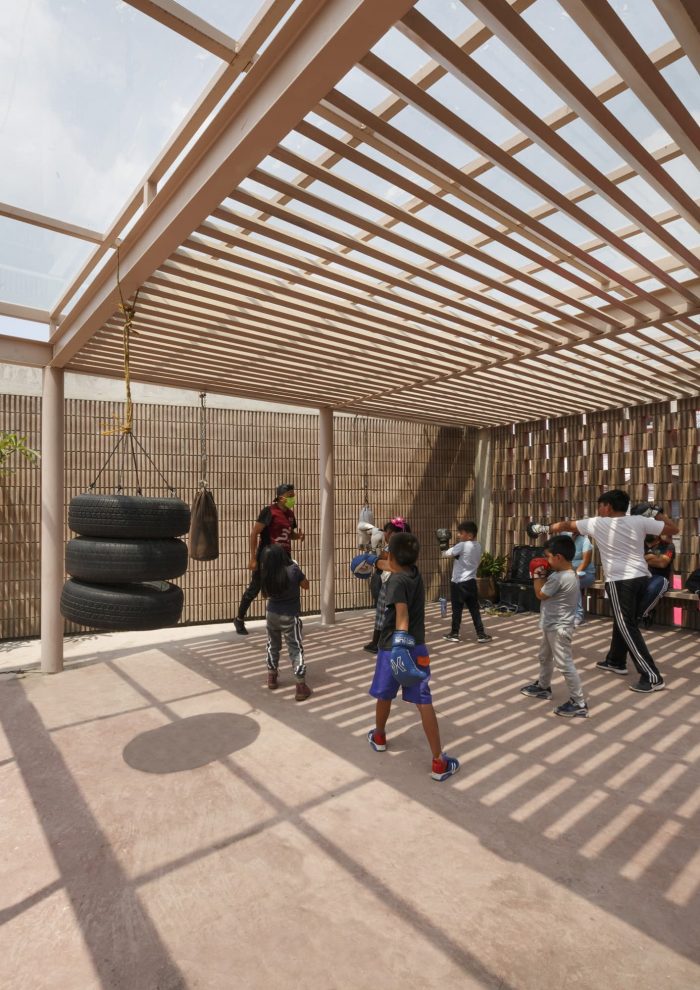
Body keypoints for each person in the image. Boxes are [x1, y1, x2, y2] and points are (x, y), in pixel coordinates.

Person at [551, 490, 679, 693]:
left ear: (608, 506)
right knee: (623, 621)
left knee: (626, 625)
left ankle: (652, 677)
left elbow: (566, 525)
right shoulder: (638, 521)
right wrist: (657, 513)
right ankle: (615, 661)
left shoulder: (597, 523)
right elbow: (674, 529)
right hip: (641, 578)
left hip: (620, 581)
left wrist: (544, 528)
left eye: (600, 505)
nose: (598, 509)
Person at [367, 531, 460, 781]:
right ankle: (439, 761)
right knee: (423, 700)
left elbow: (402, 613)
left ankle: (379, 736)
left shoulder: (396, 582)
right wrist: (373, 560)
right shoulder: (413, 572)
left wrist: (399, 644)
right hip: (417, 648)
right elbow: (390, 565)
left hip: (393, 648)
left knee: (385, 695)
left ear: (393, 556)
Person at [519, 535, 588, 718]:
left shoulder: (559, 577)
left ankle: (579, 703)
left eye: (548, 557)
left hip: (558, 628)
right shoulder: (570, 573)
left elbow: (540, 594)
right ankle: (543, 687)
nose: (546, 561)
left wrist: (537, 575)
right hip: (553, 625)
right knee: (544, 656)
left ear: (558, 557)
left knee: (565, 664)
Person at [234, 484, 305, 635]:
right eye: (290, 495)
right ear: (281, 497)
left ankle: (290, 620)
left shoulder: (290, 514)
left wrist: (298, 536)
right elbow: (254, 533)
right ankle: (239, 619)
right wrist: (253, 558)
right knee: (255, 588)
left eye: (294, 495)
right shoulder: (269, 512)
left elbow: (289, 534)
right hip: (267, 557)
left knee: (289, 586)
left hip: (285, 557)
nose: (293, 498)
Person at [259, 543, 312, 701]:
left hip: (271, 615)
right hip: (290, 616)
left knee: (272, 645)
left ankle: (272, 676)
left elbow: (265, 594)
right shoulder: (293, 570)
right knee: (295, 649)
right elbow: (306, 585)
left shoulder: (266, 573)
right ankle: (300, 685)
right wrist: (297, 571)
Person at [363, 518, 411, 655]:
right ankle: (399, 643)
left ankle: (377, 643)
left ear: (393, 534)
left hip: (390, 584)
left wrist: (373, 557)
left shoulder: (392, 547)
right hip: (402, 583)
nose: (384, 534)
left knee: (382, 613)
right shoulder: (407, 547)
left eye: (387, 532)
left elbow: (385, 561)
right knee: (399, 614)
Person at [441, 520, 492, 643]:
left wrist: (443, 542)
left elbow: (445, 554)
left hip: (458, 584)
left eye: (461, 533)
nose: (458, 535)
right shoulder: (478, 546)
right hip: (471, 583)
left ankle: (454, 633)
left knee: (457, 610)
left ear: (469, 535)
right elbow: (464, 557)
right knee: (474, 610)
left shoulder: (462, 545)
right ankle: (481, 634)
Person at [638, 534, 675, 627]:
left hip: (659, 577)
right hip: (641, 575)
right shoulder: (639, 544)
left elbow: (663, 563)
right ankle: (643, 614)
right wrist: (654, 557)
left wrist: (644, 558)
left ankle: (640, 616)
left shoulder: (669, 546)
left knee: (652, 588)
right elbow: (634, 560)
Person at [570, 532, 596, 626]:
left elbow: (586, 561)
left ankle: (578, 615)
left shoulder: (585, 541)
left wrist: (574, 574)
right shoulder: (564, 537)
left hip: (586, 574)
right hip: (568, 573)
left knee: (573, 581)